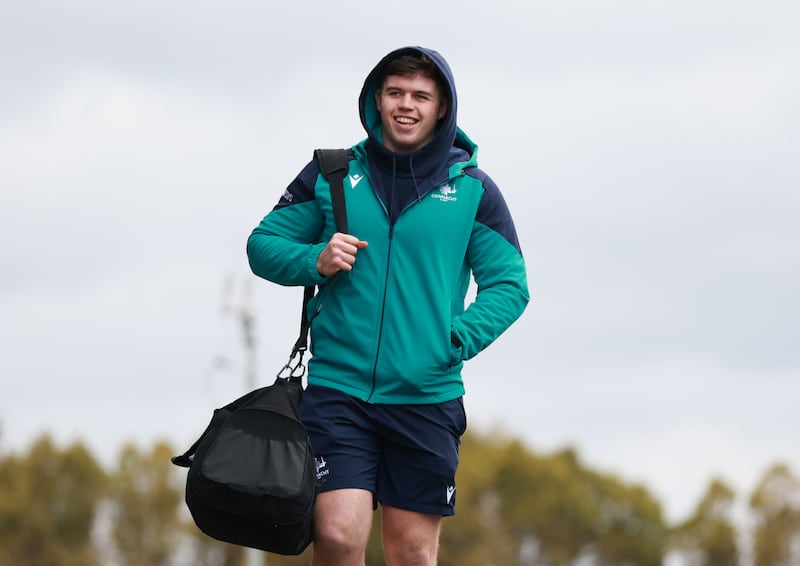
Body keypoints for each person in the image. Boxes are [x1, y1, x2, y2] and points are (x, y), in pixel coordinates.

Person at [247, 46, 529, 566]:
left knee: (413, 554)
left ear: (441, 108)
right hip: (340, 392)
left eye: (421, 96)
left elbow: (510, 285)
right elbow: (262, 245)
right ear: (376, 99)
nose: (407, 105)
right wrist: (316, 258)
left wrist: (454, 339)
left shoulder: (473, 191)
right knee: (335, 535)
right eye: (395, 92)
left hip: (426, 399)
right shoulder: (331, 173)